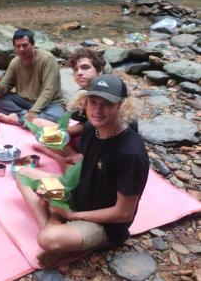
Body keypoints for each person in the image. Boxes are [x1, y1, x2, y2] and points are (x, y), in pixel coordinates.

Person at [16, 75, 149, 268]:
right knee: (23, 174)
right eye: (92, 102)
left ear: (121, 106)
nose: (97, 110)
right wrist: (60, 191)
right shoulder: (90, 129)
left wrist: (71, 216)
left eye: (107, 104)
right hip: (78, 196)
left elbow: (124, 213)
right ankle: (61, 233)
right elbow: (84, 168)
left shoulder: (131, 154)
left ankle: (59, 234)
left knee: (48, 239)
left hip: (105, 224)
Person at [31, 48, 105, 168]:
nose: (79, 72)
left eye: (85, 67)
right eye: (76, 69)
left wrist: (63, 133)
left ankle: (57, 155)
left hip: (99, 149)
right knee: (37, 123)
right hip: (83, 139)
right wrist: (62, 132)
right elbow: (85, 123)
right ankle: (64, 153)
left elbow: (108, 135)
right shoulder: (85, 93)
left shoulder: (106, 96)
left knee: (73, 176)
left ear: (99, 71)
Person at [0, 28, 65, 126]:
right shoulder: (15, 62)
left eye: (25, 45)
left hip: (49, 103)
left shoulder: (47, 60)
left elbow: (48, 91)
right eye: (18, 46)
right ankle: (25, 117)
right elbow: (5, 86)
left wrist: (33, 112)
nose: (21, 49)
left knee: (56, 116)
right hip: (24, 101)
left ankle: (17, 120)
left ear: (33, 45)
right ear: (14, 47)